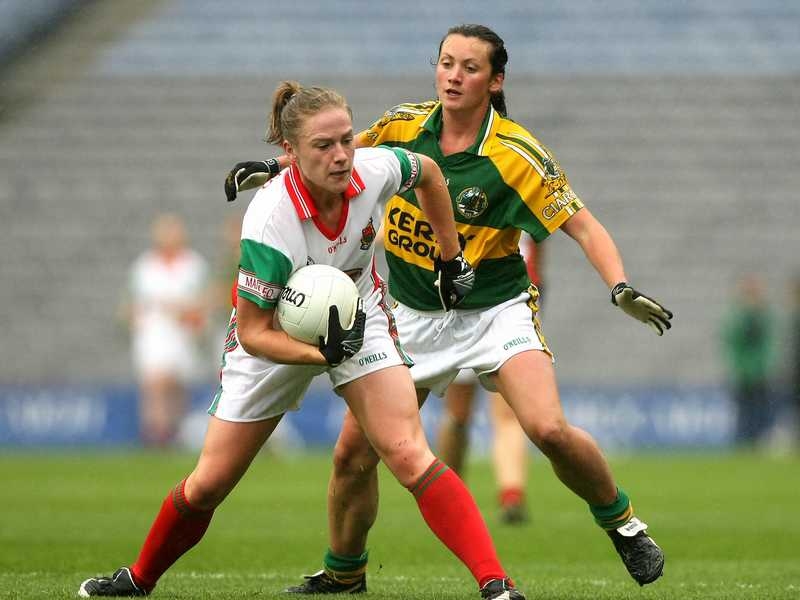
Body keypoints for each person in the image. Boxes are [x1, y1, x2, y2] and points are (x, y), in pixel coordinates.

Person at [224, 24, 673, 590]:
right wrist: (273, 169)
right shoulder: (403, 125)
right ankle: (344, 572)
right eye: (446, 63)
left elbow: (583, 225)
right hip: (409, 317)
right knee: (352, 457)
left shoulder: (517, 155)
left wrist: (619, 286)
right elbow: (336, 157)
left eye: (470, 67)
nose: (454, 76)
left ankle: (623, 522)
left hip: (495, 312)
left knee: (548, 429)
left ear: (495, 81)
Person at [79, 81, 525, 600]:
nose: (341, 156)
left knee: (408, 452)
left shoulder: (372, 169)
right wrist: (318, 353)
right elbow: (253, 333)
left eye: (346, 140)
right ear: (290, 151)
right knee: (209, 483)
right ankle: (138, 579)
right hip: (276, 335)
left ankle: (496, 585)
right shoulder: (270, 220)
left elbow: (427, 171)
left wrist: (451, 257)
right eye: (323, 145)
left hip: (358, 318)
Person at [438, 236, 544, 525]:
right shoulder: (523, 206)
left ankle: (489, 498)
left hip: (489, 303)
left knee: (465, 413)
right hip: (482, 304)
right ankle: (506, 496)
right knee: (466, 413)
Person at [121, 212, 209, 447]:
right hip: (153, 333)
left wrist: (191, 315)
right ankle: (155, 433)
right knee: (155, 383)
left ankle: (174, 432)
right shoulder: (144, 266)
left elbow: (204, 301)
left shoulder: (194, 265)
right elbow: (131, 302)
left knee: (177, 386)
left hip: (182, 334)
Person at [720, 273, 776, 446]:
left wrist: (764, 367)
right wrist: (739, 367)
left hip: (760, 374)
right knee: (744, 412)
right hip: (743, 374)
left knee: (759, 412)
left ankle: (757, 442)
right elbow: (732, 345)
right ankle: (743, 442)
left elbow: (768, 345)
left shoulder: (763, 317)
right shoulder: (738, 317)